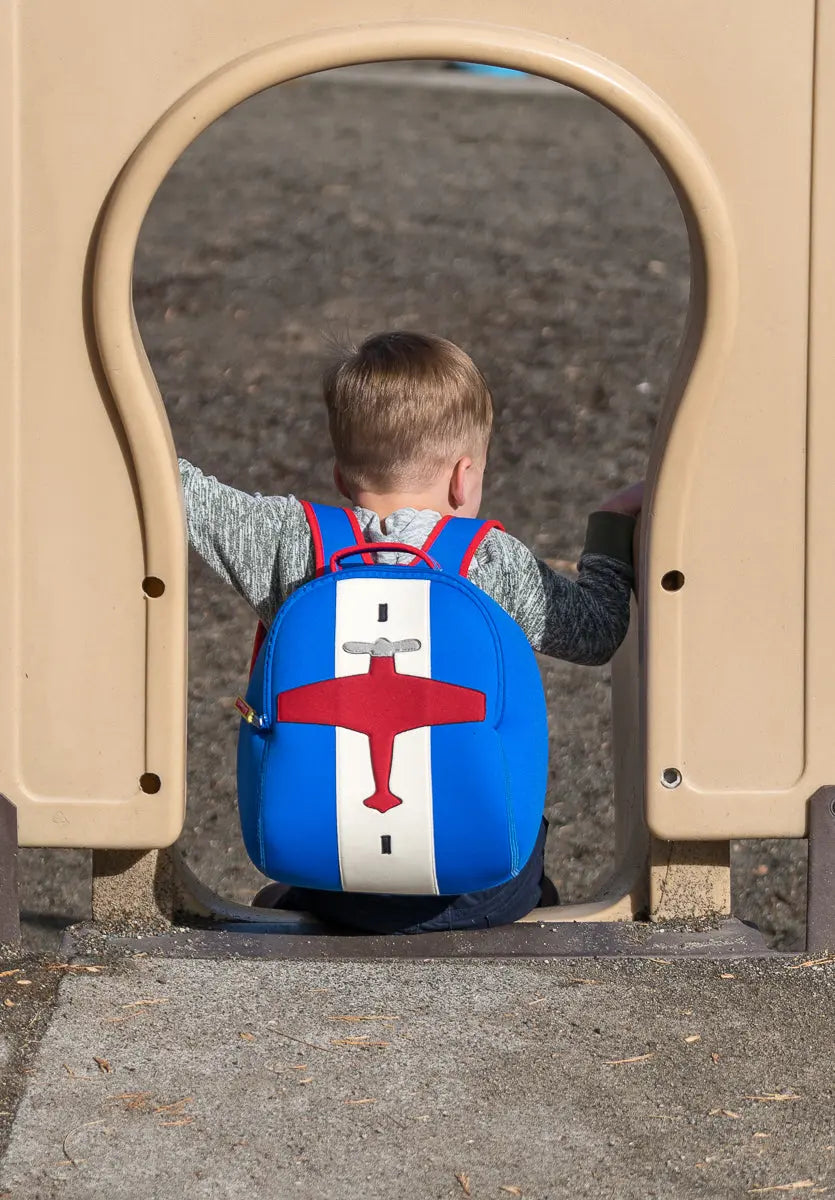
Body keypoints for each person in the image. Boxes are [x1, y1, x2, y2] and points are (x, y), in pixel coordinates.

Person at [178, 330, 643, 932]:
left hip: (326, 875)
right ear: (463, 477)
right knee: (534, 884)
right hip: (486, 887)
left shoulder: (289, 541)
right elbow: (598, 632)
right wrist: (609, 525)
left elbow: (176, 487)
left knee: (281, 898)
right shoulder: (489, 560)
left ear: (342, 478)